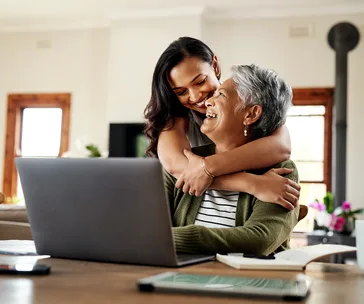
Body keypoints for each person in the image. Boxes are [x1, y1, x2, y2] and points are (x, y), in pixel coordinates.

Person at [144, 37, 299, 210]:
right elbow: (179, 167)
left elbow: (281, 146)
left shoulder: (243, 94)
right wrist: (253, 184)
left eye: (200, 81)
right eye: (181, 92)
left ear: (215, 66)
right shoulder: (177, 119)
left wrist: (207, 167)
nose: (195, 97)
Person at [164, 64, 299, 255]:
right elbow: (148, 227)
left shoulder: (283, 172)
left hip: (250, 284)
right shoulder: (188, 161)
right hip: (179, 280)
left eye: (221, 95)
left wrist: (169, 239)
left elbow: (260, 240)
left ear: (251, 114)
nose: (207, 102)